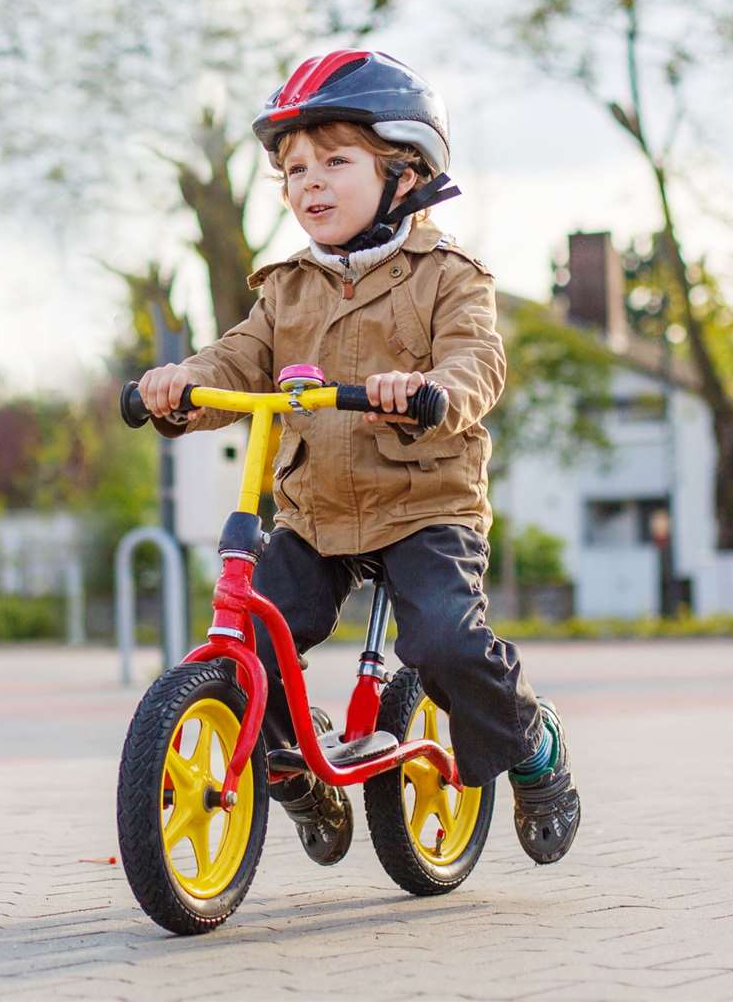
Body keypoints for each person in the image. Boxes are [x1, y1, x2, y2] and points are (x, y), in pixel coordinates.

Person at [137, 50, 580, 867]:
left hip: (423, 507)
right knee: (253, 637)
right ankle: (295, 774)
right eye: (293, 168)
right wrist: (180, 386)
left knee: (444, 643)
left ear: (403, 173)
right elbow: (235, 361)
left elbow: (475, 361)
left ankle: (533, 745)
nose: (309, 181)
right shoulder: (286, 288)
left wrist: (431, 393)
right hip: (315, 512)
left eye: (335, 161)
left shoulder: (448, 276)